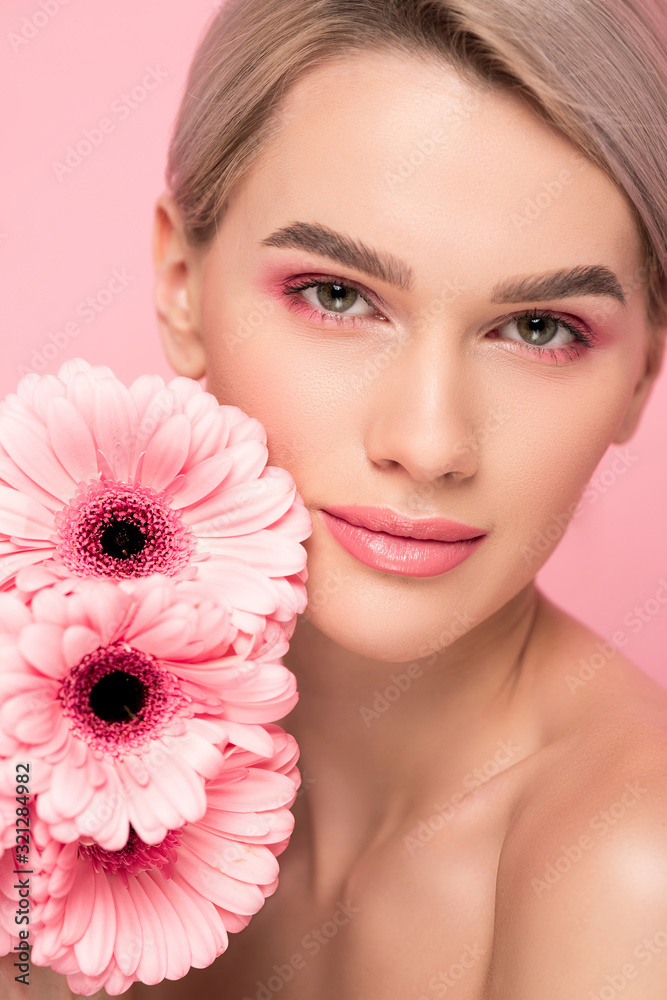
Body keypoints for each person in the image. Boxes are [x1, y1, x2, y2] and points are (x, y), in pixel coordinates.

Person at [19, 0, 667, 997]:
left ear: (642, 375)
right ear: (180, 283)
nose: (427, 443)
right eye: (337, 295)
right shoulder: (56, 750)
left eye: (537, 327)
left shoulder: (635, 869)